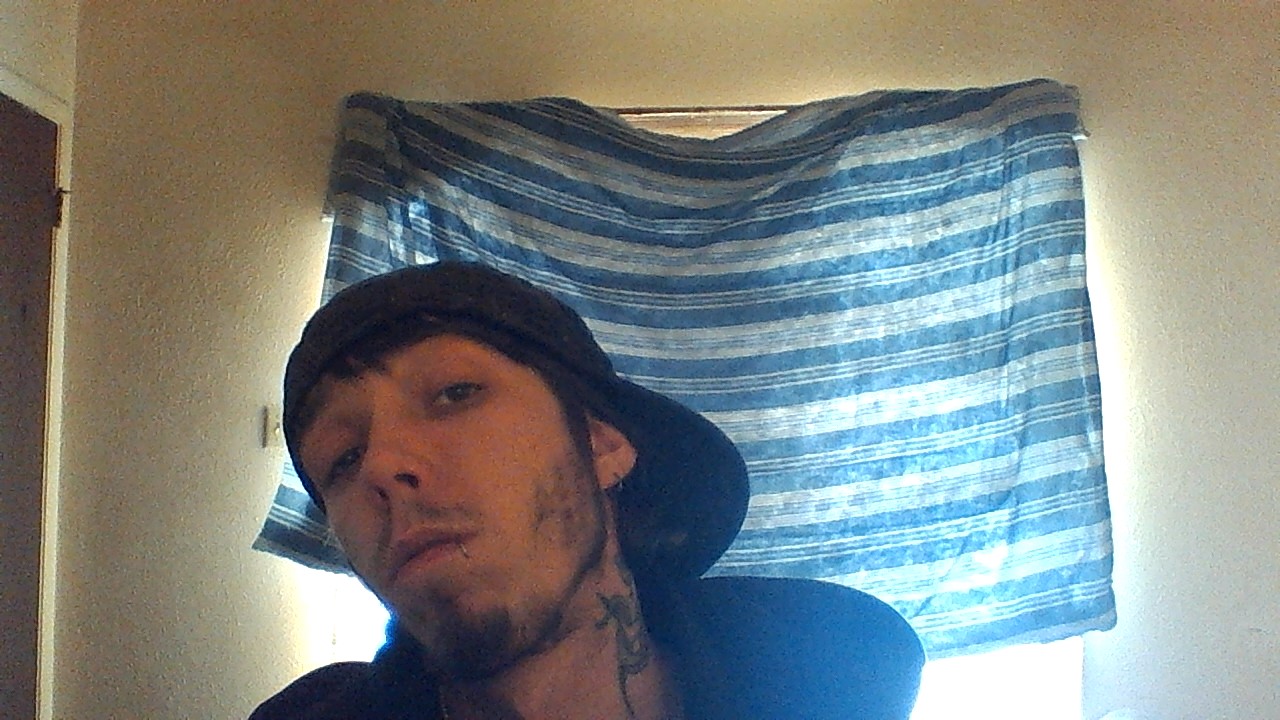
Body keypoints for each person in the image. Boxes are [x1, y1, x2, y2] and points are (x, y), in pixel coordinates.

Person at [250, 261, 924, 720]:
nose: (381, 465)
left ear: (601, 446)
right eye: (342, 458)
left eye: (455, 393)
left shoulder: (830, 675)